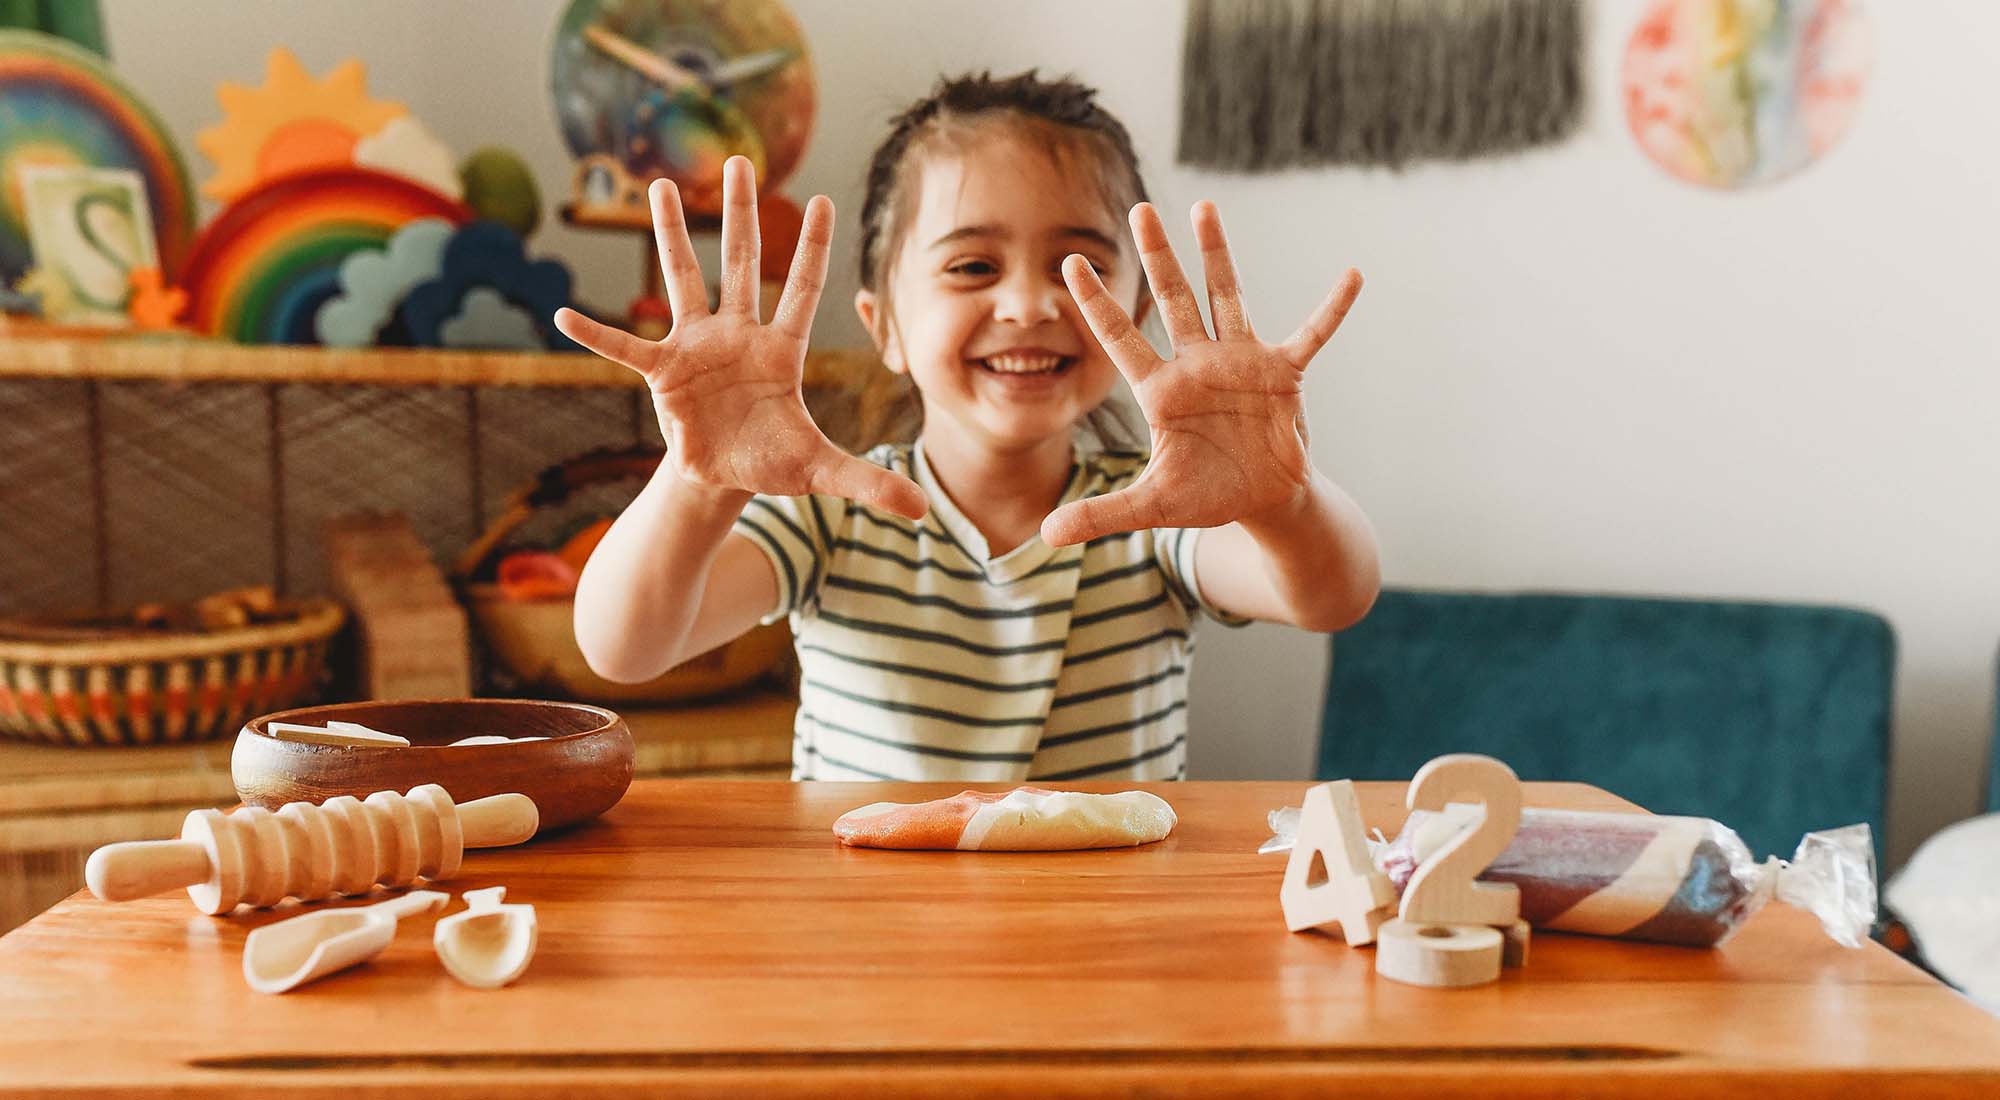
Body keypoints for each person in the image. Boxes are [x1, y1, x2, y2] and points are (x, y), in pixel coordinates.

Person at [554, 71, 1379, 782]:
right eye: (972, 266)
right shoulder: (828, 513)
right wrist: (696, 482)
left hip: (1106, 949)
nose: (1029, 305)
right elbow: (624, 649)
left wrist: (1284, 501)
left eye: (1079, 269)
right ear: (886, 329)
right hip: (877, 948)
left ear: (1133, 312)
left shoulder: (1155, 515)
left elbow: (1334, 597)